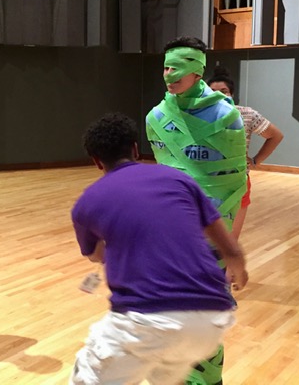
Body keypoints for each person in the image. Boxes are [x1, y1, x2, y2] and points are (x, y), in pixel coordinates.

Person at [70, 112, 247, 385]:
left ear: (96, 161)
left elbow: (95, 255)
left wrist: (119, 246)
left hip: (146, 319)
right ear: (135, 149)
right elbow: (226, 242)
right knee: (164, 376)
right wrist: (238, 266)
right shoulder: (179, 180)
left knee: (86, 378)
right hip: (209, 320)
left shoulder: (87, 202)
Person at [145, 37, 247, 385]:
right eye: (165, 67)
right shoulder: (157, 117)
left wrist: (227, 241)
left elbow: (234, 182)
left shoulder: (227, 117)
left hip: (211, 231)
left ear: (197, 71)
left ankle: (207, 378)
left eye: (176, 67)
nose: (168, 74)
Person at [208, 67, 284, 240]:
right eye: (212, 91)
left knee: (231, 239)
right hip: (206, 181)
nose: (218, 95)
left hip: (237, 181)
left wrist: (256, 160)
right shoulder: (196, 117)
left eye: (223, 91)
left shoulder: (246, 114)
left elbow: (275, 135)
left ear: (232, 94)